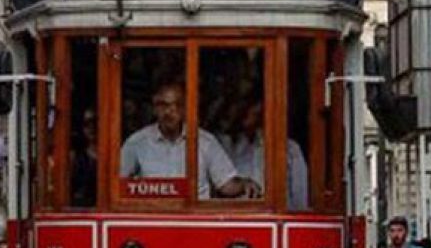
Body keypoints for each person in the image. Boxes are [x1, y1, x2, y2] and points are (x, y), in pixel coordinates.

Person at [120, 82, 256, 199]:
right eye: (163, 105)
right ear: (155, 109)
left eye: (177, 105)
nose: (170, 111)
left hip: (196, 222)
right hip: (153, 221)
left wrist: (244, 184)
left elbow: (226, 184)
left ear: (185, 109)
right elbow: (116, 185)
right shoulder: (137, 143)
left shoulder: (205, 141)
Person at [218, 98, 309, 209]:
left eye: (255, 113)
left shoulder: (289, 148)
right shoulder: (229, 145)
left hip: (278, 215)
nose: (248, 116)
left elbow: (299, 191)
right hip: (242, 215)